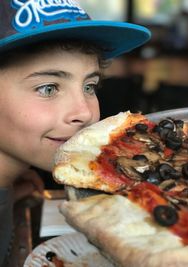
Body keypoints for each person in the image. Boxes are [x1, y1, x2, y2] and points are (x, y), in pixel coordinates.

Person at [0, 0, 151, 266]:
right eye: (48, 88)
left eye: (90, 86)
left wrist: (12, 199)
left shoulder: (16, 182)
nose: (84, 112)